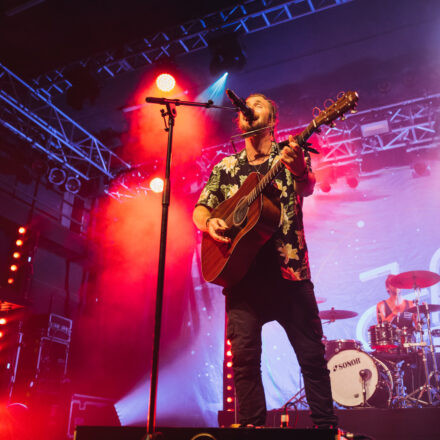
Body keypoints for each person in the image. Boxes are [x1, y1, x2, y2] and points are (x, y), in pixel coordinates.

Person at [192, 93, 337, 428]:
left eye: (257, 105)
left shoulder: (288, 153)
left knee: (312, 359)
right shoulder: (226, 168)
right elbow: (201, 208)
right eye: (246, 107)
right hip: (242, 279)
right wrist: (209, 222)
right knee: (243, 364)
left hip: (289, 274)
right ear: (239, 122)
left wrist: (299, 167)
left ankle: (326, 428)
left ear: (273, 119)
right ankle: (251, 431)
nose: (248, 109)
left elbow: (307, 187)